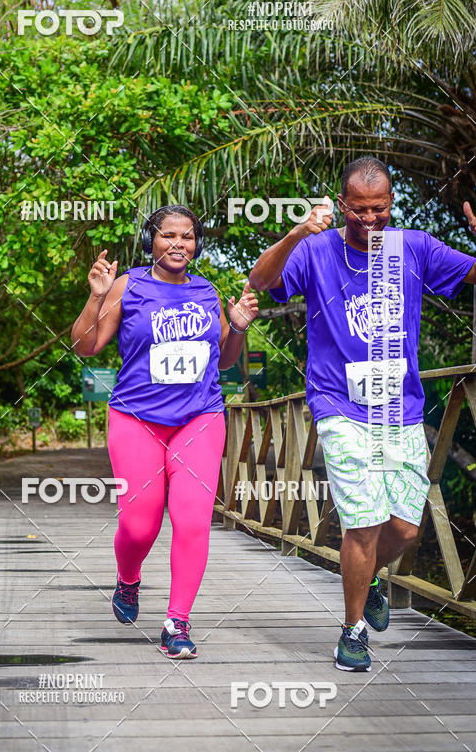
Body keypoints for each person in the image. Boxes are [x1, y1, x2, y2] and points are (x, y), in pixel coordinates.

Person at [249, 157, 476, 672]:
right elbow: (261, 281)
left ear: (390, 204)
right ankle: (352, 631)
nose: (370, 220)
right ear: (342, 202)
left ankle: (370, 575)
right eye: (359, 210)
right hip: (338, 403)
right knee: (364, 521)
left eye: (380, 209)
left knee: (406, 528)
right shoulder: (315, 250)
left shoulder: (412, 247)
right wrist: (297, 231)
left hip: (400, 406)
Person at [71, 205, 259, 659]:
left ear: (197, 244)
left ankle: (177, 622)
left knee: (193, 519)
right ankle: (129, 579)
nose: (179, 244)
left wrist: (237, 328)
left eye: (188, 237)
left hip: (200, 416)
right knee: (140, 524)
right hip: (137, 417)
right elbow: (84, 346)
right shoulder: (127, 286)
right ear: (151, 241)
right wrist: (96, 297)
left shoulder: (205, 291)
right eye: (168, 235)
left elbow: (227, 360)